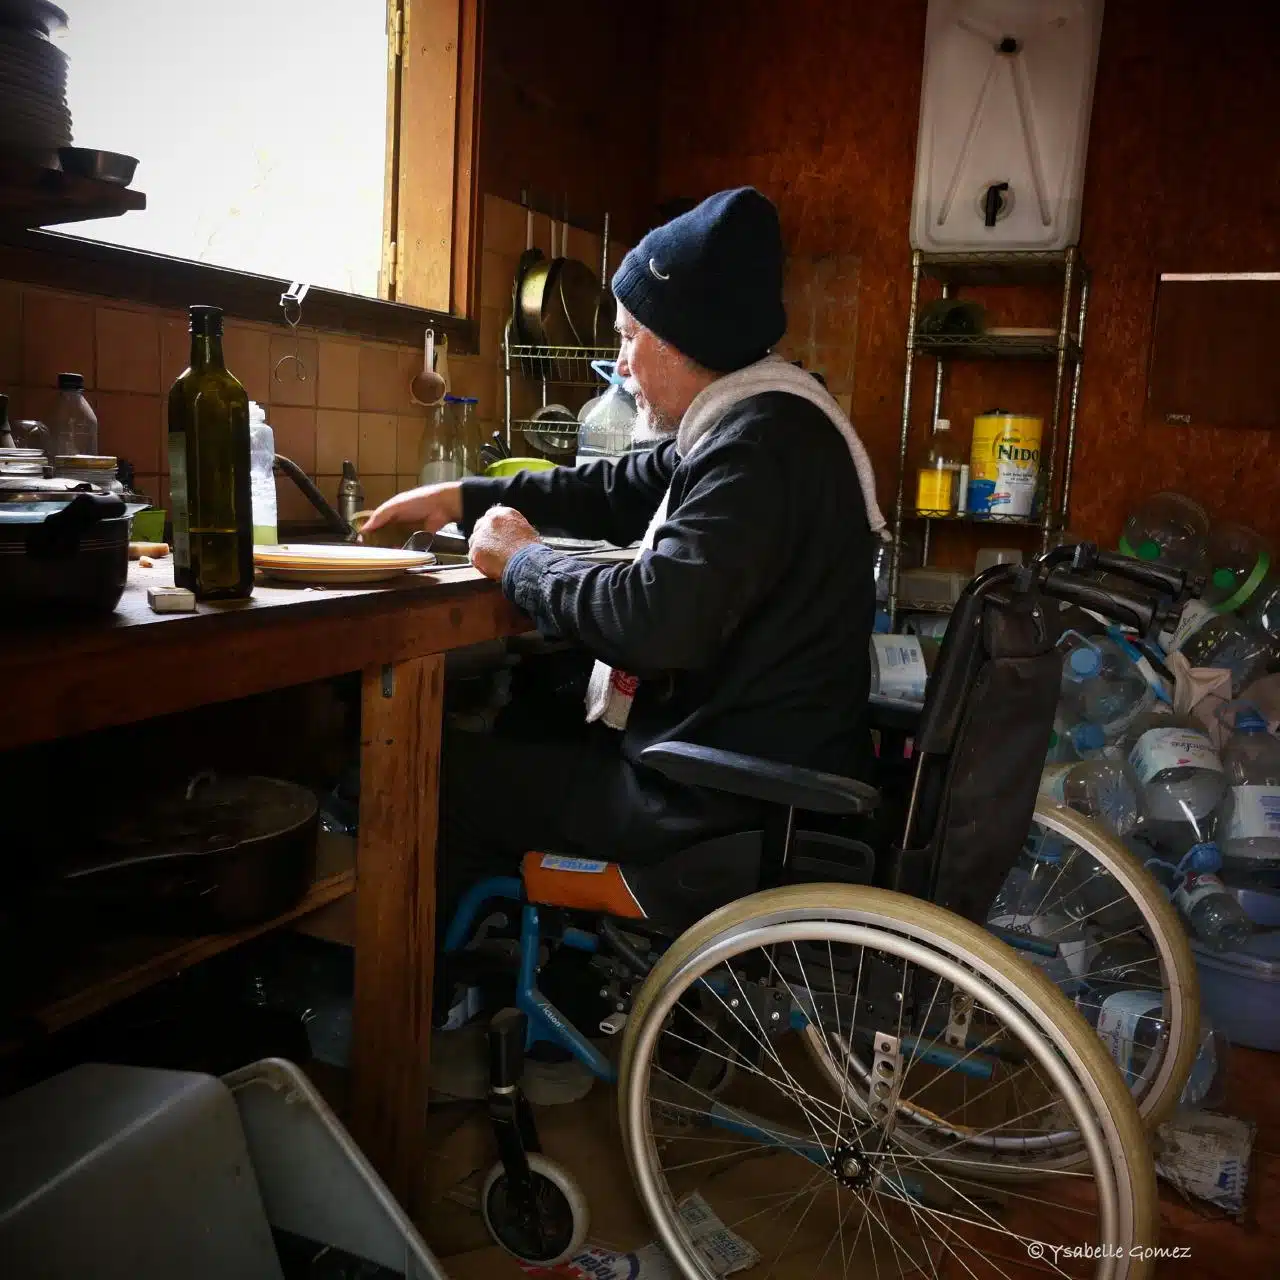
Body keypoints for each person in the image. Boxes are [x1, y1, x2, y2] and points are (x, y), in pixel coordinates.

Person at [362, 186, 886, 923]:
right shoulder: (760, 419)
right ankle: (549, 968)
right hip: (756, 766)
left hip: (720, 793)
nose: (622, 363)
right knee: (527, 728)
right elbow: (618, 487)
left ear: (681, 340)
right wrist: (463, 498)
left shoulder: (755, 446)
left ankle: (426, 1009)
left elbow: (655, 621)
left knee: (426, 771)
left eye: (629, 337)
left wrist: (523, 562)